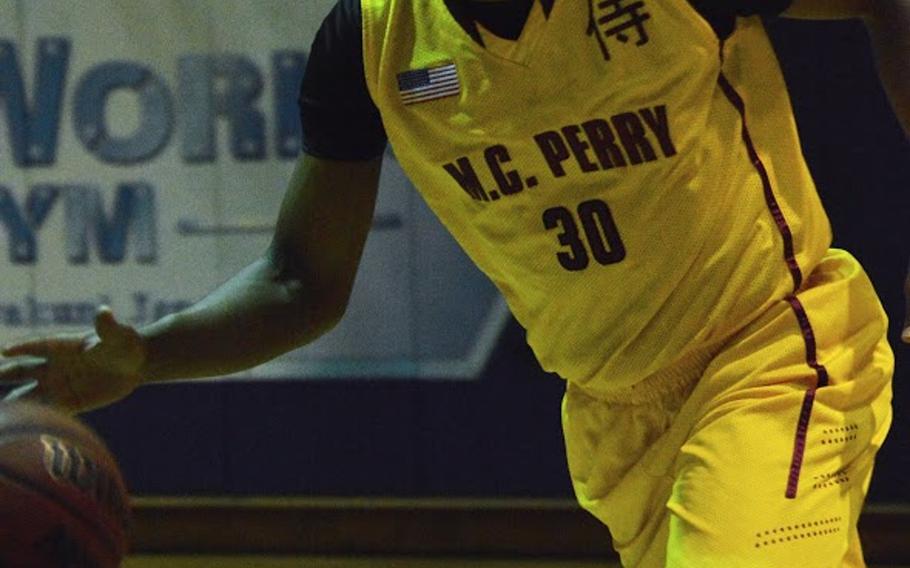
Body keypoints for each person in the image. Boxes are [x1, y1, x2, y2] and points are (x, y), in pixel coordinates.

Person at [0, 0, 907, 565]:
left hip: (772, 350)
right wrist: (150, 356)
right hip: (616, 420)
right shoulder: (370, 43)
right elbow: (300, 281)